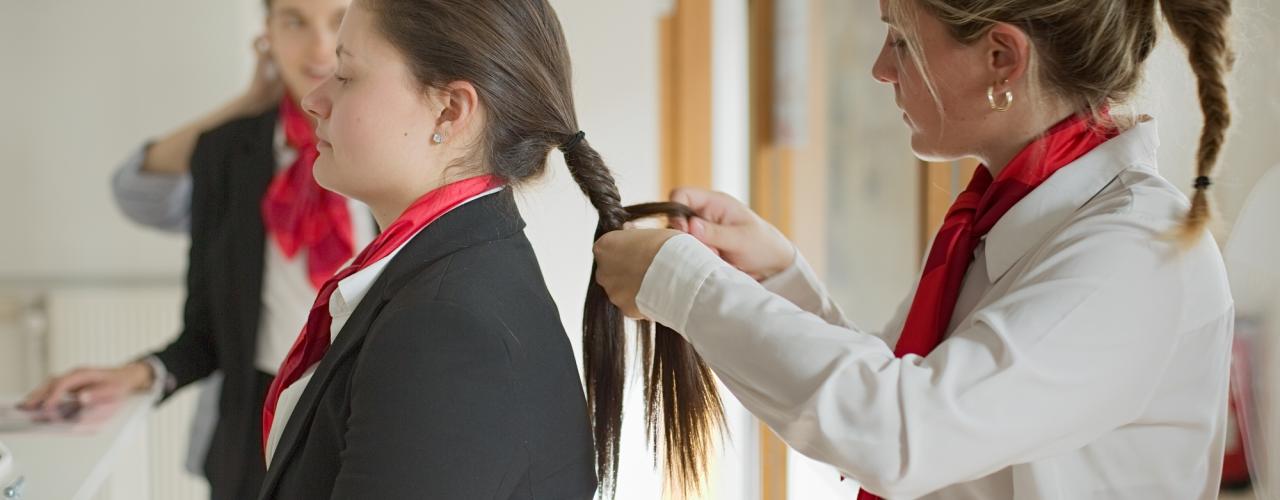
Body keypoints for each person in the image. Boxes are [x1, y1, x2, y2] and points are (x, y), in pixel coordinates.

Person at [595, 0, 1237, 498]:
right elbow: (911, 397)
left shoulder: (1136, 252)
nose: (881, 67)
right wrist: (778, 278)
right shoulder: (1003, 219)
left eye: (901, 38)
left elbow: (904, 434)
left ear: (1001, 60)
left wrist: (680, 283)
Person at [256, 0, 722, 498]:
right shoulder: (448, 278)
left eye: (345, 74)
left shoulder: (442, 328)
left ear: (450, 110)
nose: (313, 99)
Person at [21, 1, 368, 498]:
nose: (317, 46)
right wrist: (140, 375)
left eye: (337, 20)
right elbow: (206, 330)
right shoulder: (229, 154)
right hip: (256, 428)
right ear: (266, 30)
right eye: (293, 20)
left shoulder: (402, 145)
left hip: (373, 411)